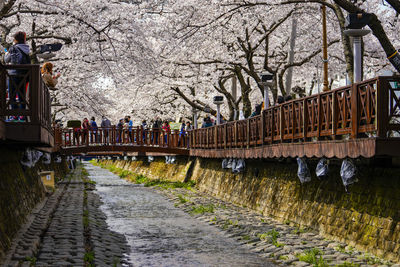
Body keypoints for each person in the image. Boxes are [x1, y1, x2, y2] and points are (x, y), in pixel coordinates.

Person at [4, 31, 30, 121]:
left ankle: (14, 116)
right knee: (21, 95)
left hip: (14, 74)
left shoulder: (13, 48)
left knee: (12, 94)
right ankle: (22, 116)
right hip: (24, 75)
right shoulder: (26, 49)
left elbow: (6, 60)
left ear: (15, 39)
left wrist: (6, 53)